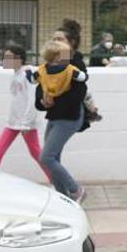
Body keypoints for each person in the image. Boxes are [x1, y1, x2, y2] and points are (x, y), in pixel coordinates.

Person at [34, 39, 88, 203]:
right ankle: (63, 198)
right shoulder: (44, 73)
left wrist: (53, 100)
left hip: (69, 118)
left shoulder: (71, 72)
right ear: (54, 56)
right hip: (54, 117)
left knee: (46, 158)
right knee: (53, 159)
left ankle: (75, 190)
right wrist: (43, 102)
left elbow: (77, 96)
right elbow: (38, 97)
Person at [0, 45, 48, 179]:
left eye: (8, 57)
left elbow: (32, 99)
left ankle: (57, 181)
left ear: (18, 59)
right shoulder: (15, 74)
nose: (5, 60)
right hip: (13, 122)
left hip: (25, 123)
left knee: (36, 153)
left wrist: (26, 124)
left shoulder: (29, 73)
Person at [54, 19, 101, 124]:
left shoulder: (75, 58)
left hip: (71, 111)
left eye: (59, 39)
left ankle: (91, 112)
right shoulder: (55, 58)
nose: (55, 43)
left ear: (72, 42)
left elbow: (82, 80)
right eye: (54, 39)